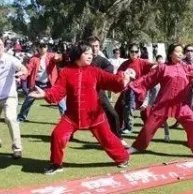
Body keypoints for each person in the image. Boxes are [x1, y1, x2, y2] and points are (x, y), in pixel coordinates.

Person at [27, 44, 134, 175]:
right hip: (71, 117)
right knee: (57, 136)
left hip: (94, 116)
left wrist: (123, 79)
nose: (90, 56)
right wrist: (44, 94)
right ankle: (56, 164)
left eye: (91, 54)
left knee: (108, 139)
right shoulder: (66, 72)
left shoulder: (95, 71)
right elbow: (58, 91)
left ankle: (123, 158)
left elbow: (111, 80)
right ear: (78, 55)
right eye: (87, 53)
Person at [127, 43, 193, 159]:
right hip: (163, 105)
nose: (181, 54)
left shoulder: (185, 67)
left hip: (181, 105)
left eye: (181, 52)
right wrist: (133, 84)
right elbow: (147, 79)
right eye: (177, 51)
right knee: (148, 128)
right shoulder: (162, 67)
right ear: (171, 54)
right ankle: (137, 146)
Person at [115, 43, 154, 134]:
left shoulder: (143, 62)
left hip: (140, 91)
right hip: (127, 91)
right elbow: (119, 74)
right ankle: (119, 127)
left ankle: (149, 129)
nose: (134, 53)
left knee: (145, 110)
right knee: (119, 108)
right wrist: (123, 76)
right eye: (132, 51)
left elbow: (155, 66)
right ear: (129, 52)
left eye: (136, 51)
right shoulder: (125, 63)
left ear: (139, 52)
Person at [17, 42, 61, 122]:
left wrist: (58, 57)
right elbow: (28, 70)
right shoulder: (33, 59)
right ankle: (21, 117)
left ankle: (66, 119)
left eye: (44, 46)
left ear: (47, 47)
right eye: (40, 46)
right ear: (38, 48)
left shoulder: (51, 56)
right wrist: (21, 77)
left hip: (50, 84)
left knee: (60, 100)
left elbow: (58, 59)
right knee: (28, 99)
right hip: (37, 85)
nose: (42, 48)